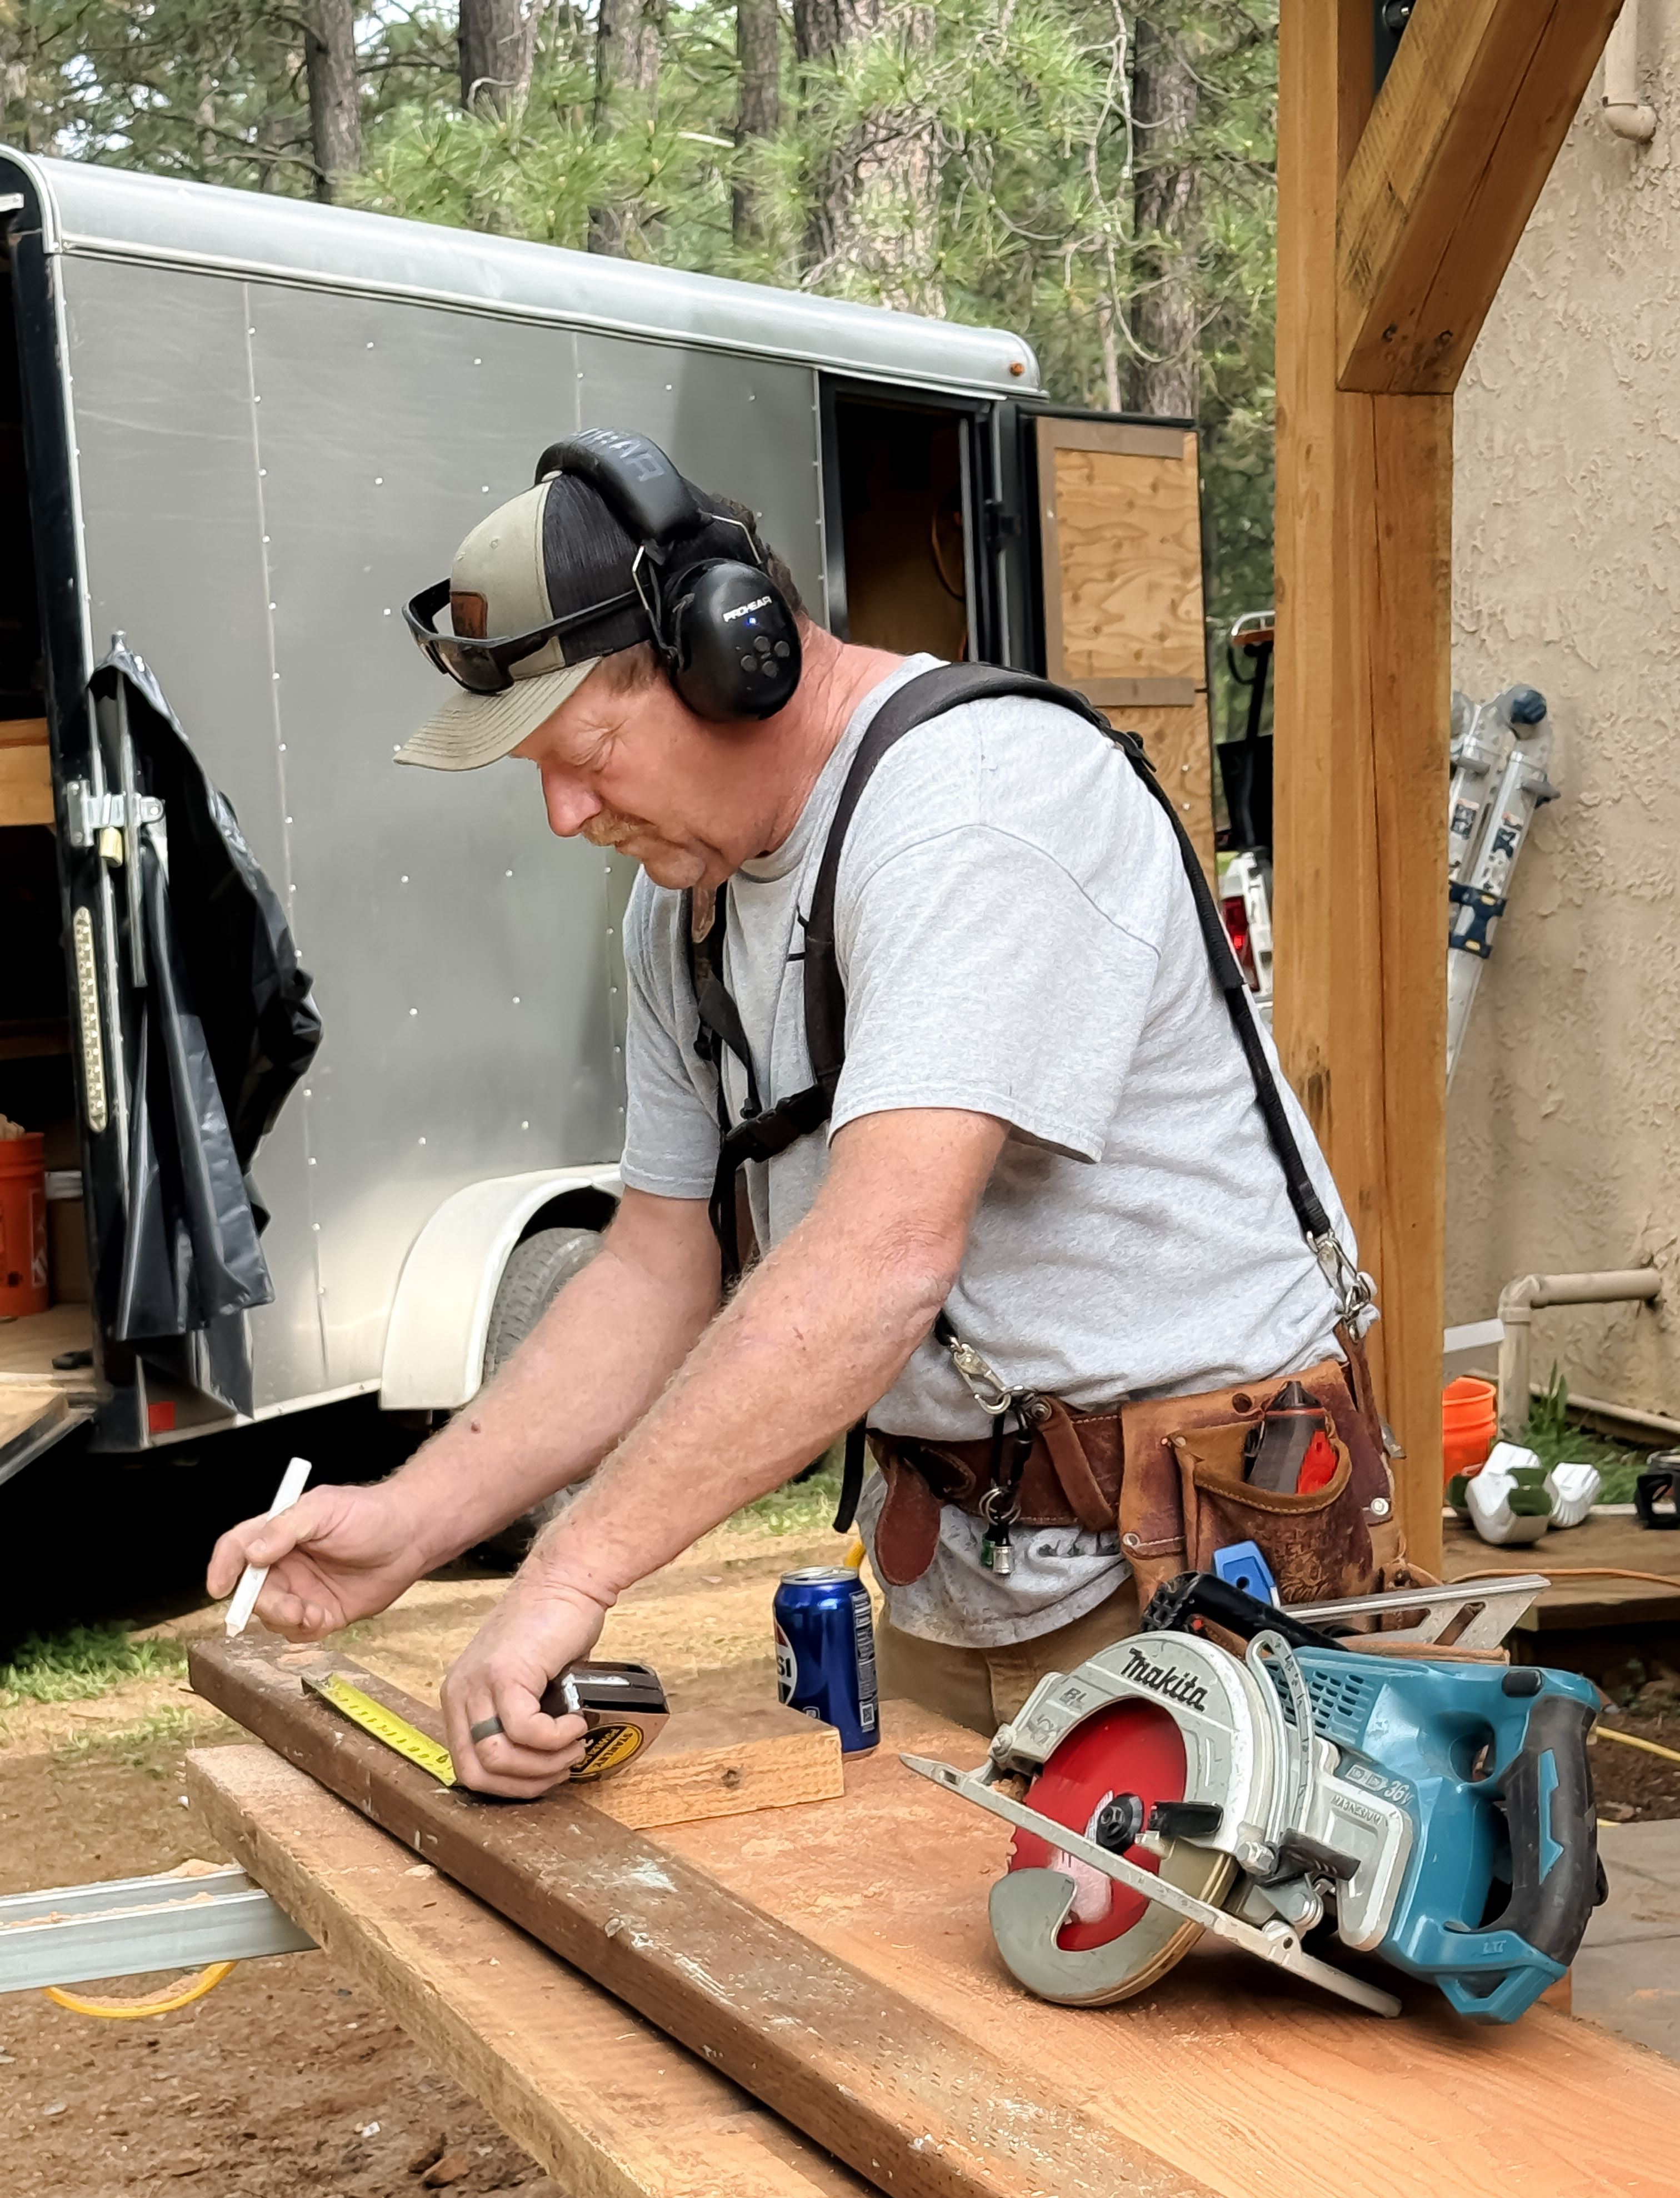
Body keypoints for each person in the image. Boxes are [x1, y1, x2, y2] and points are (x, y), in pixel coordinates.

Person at [208, 429, 1382, 1800]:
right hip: (971, 1570)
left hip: (1207, 1565)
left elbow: (880, 1261)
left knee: (1224, 2007)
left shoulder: (976, 809)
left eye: (583, 751)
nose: (563, 812)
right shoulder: (682, 910)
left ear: (734, 658)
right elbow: (655, 1267)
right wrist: (413, 1522)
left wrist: (574, 1569)